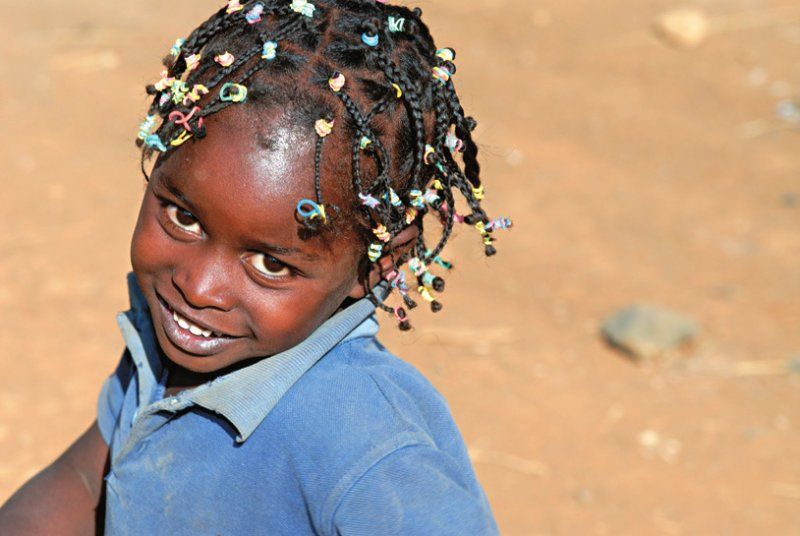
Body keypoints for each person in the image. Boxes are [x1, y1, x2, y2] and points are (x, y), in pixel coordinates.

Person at [0, 0, 511, 533]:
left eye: (270, 264)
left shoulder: (369, 443)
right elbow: (88, 477)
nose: (198, 288)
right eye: (183, 217)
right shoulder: (171, 338)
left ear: (379, 266)